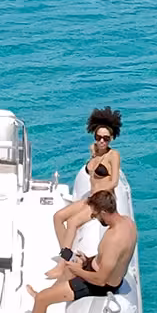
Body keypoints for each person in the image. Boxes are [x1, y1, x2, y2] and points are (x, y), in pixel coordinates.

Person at [2, 189, 136, 313]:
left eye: (95, 215)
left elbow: (101, 280)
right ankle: (52, 289)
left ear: (104, 212)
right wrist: (87, 261)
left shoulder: (113, 238)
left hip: (100, 285)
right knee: (70, 262)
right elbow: (112, 260)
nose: (94, 217)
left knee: (43, 298)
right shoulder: (128, 223)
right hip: (99, 269)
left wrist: (78, 271)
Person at [52, 107, 125, 260]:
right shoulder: (94, 151)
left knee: (72, 223)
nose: (102, 141)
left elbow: (114, 182)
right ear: (94, 136)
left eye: (106, 138)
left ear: (112, 137)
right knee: (58, 217)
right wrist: (93, 155)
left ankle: (64, 263)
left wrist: (96, 196)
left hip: (102, 202)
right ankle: (67, 255)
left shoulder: (114, 155)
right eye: (98, 137)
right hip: (91, 199)